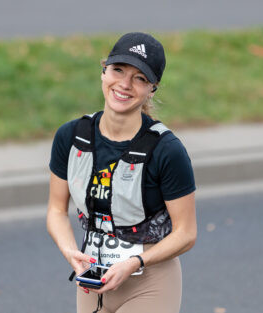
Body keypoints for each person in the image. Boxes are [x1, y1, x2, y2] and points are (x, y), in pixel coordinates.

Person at [47, 32, 197, 313]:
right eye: (118, 70)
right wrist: (71, 252)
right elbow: (56, 211)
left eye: (140, 78)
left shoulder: (167, 150)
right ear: (103, 72)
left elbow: (186, 233)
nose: (125, 84)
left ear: (152, 89)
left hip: (150, 282)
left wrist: (135, 263)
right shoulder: (70, 137)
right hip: (94, 279)